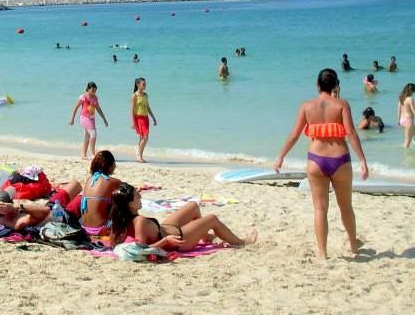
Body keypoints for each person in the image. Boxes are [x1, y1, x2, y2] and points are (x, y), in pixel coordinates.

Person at [275, 68, 368, 259]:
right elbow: (351, 133)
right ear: (336, 85)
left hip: (316, 161)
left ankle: (322, 253)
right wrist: (362, 160)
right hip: (340, 160)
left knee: (319, 209)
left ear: (317, 85)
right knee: (346, 207)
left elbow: (294, 134)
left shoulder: (306, 106)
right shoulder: (342, 104)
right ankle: (353, 244)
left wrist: (281, 156)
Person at [109, 182, 257, 251]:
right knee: (212, 218)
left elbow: (115, 242)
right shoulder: (139, 221)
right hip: (179, 239)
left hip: (165, 228)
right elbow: (142, 249)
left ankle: (206, 236)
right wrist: (166, 241)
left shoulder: (121, 219)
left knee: (193, 206)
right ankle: (242, 242)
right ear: (130, 204)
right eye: (137, 196)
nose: (140, 196)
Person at [68, 82, 109, 159]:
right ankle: (93, 154)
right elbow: (75, 107)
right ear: (88, 89)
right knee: (93, 134)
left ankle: (84, 155)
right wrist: (72, 119)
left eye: (95, 90)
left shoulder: (95, 98)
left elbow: (98, 109)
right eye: (93, 90)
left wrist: (104, 119)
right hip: (84, 118)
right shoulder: (83, 97)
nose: (94, 92)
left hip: (92, 119)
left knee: (87, 136)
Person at [131, 77, 157, 163]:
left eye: (145, 84)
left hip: (146, 118)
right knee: (145, 137)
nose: (145, 86)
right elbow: (132, 110)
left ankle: (139, 156)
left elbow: (148, 107)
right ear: (138, 85)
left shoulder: (145, 95)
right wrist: (132, 122)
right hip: (138, 118)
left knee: (142, 137)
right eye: (143, 84)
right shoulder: (135, 96)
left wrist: (153, 118)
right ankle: (139, 155)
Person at [398, 83, 415, 148]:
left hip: (402, 120)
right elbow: (413, 111)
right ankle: (405, 154)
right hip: (408, 120)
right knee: (407, 142)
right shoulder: (410, 99)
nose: (413, 93)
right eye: (413, 91)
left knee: (409, 137)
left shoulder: (401, 97)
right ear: (411, 91)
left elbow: (399, 109)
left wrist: (398, 120)